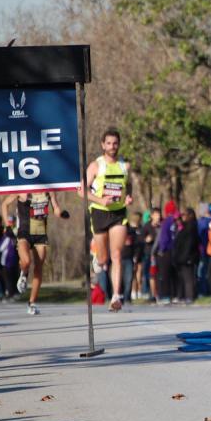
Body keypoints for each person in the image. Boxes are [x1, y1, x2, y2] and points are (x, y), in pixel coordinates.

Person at [82, 128, 133, 311]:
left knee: (117, 255)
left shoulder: (124, 166)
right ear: (103, 145)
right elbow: (82, 190)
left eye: (115, 143)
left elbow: (128, 185)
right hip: (99, 212)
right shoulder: (96, 166)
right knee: (103, 258)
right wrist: (100, 199)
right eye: (109, 143)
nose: (112, 146)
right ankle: (98, 258)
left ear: (119, 144)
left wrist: (128, 197)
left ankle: (116, 296)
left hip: (119, 213)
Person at [2, 191, 68, 315]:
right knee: (26, 261)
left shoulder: (49, 192)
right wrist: (7, 225)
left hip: (40, 234)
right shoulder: (22, 190)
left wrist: (62, 214)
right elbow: (5, 204)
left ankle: (32, 302)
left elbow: (56, 209)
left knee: (39, 267)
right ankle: (24, 274)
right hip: (24, 233)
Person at [174, 207, 199, 303]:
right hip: (181, 257)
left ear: (190, 216)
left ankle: (190, 296)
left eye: (184, 215)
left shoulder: (192, 227)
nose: (182, 217)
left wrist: (185, 256)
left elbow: (190, 243)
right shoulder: (184, 227)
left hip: (188, 257)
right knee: (182, 277)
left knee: (189, 278)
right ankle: (182, 296)